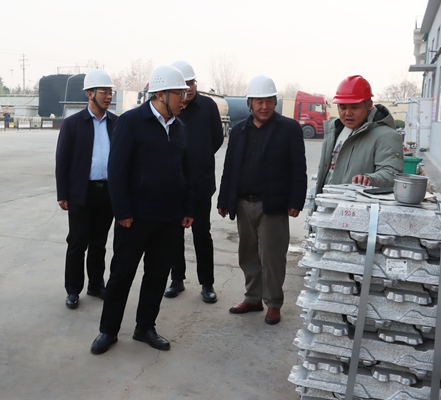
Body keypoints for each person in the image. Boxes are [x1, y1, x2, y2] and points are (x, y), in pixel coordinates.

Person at [90, 66, 194, 355]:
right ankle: (108, 330)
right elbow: (117, 169)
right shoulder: (132, 121)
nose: (183, 99)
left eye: (184, 94)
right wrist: (122, 210)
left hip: (169, 218)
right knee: (121, 275)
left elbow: (185, 172)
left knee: (157, 275)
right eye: (179, 94)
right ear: (160, 94)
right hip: (134, 218)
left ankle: (145, 327)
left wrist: (187, 207)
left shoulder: (180, 127)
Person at [217, 75, 306, 326]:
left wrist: (296, 200)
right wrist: (224, 199)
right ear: (249, 103)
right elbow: (230, 167)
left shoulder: (289, 129)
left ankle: (273, 303)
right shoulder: (238, 130)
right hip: (243, 203)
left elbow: (298, 167)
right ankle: (253, 298)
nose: (264, 106)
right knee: (247, 254)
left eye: (269, 101)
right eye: (259, 101)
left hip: (272, 205)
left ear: (275, 102)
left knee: (272, 256)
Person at [55, 69, 117, 310]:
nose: (108, 96)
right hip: (81, 192)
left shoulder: (116, 123)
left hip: (107, 193)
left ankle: (96, 284)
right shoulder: (73, 124)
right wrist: (63, 193)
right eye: (104, 92)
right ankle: (73, 289)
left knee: (99, 243)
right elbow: (62, 160)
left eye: (110, 92)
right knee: (78, 241)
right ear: (90, 93)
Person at [164, 60, 223, 303]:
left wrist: (200, 158)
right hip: (173, 184)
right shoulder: (168, 107)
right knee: (174, 235)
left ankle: (207, 283)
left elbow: (217, 139)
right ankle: (176, 279)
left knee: (202, 234)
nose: (187, 89)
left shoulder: (208, 107)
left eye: (191, 83)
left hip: (200, 183)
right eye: (183, 85)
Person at [315, 75, 404, 194]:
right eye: (342, 107)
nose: (348, 113)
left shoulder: (387, 136)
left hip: (357, 204)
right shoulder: (334, 130)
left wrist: (370, 179)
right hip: (327, 202)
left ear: (369, 104)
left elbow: (391, 174)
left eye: (354, 107)